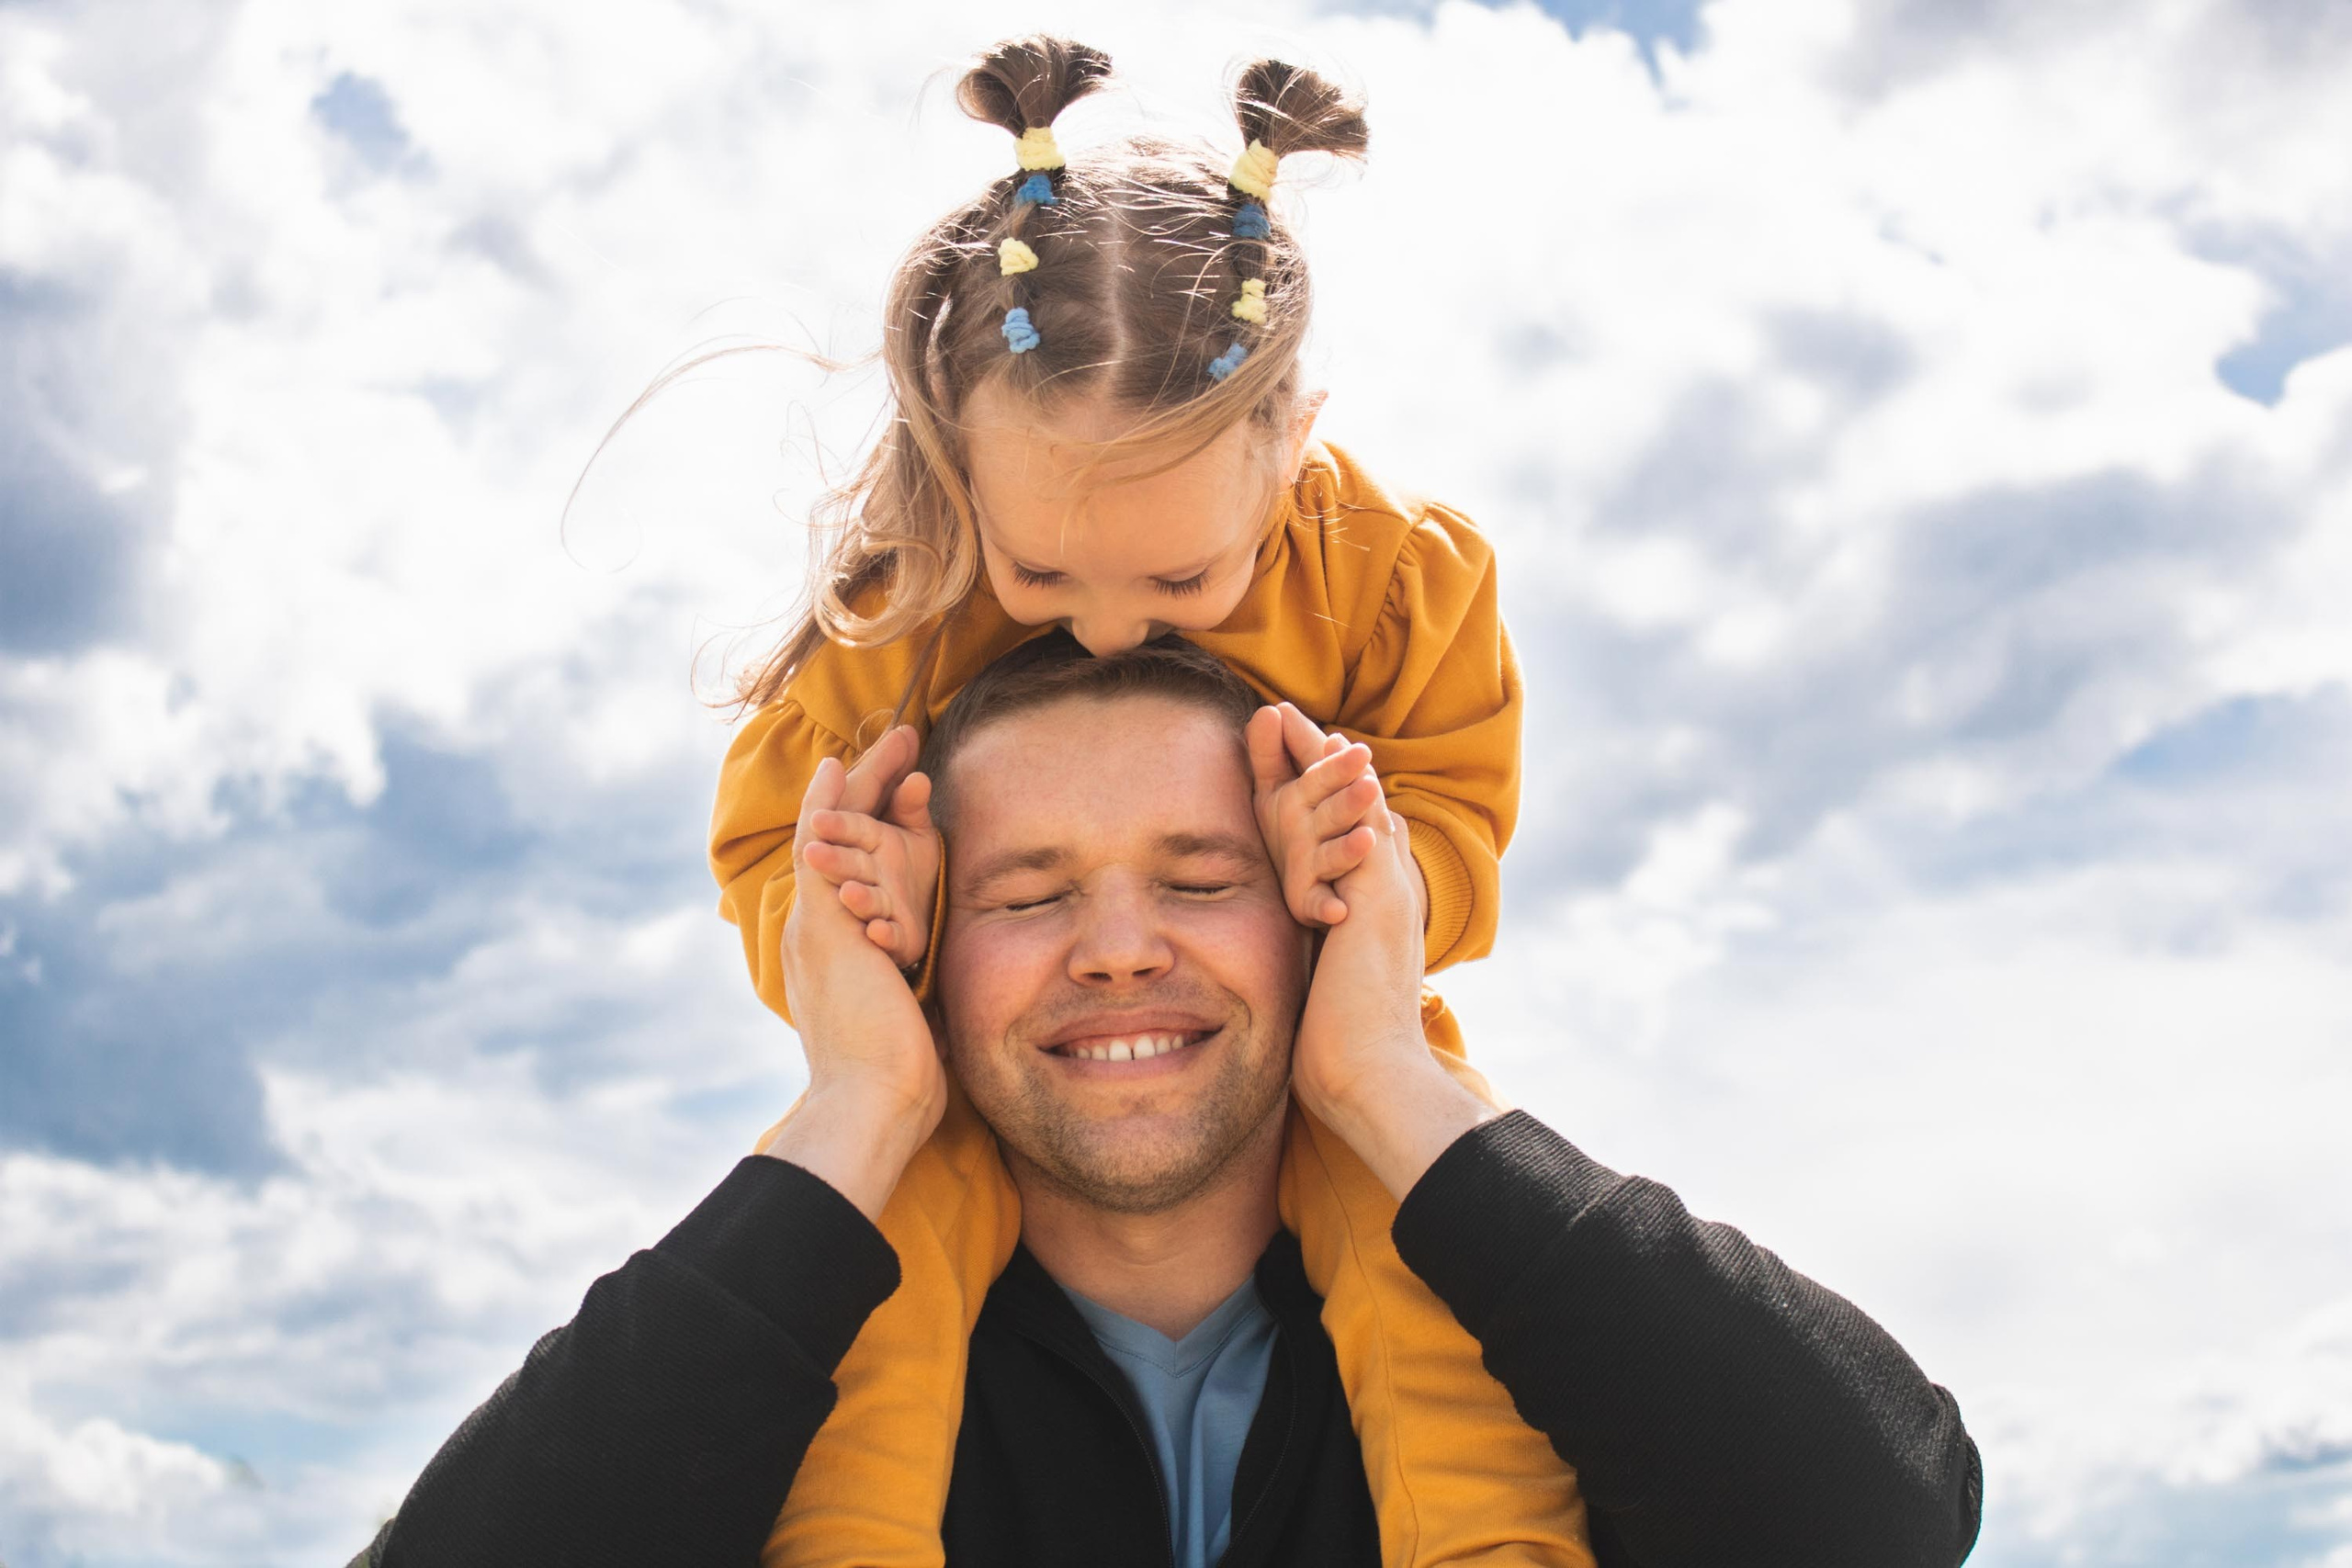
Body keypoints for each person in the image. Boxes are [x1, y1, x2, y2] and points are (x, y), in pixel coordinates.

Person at [356, 634, 1984, 1568]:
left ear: (1321, 915)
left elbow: (1879, 1521)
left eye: (1201, 878)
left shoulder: (1509, 1357)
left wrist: (1389, 1080)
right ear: (922, 949)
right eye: (1024, 896)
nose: (1118, 951)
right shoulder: (803, 1388)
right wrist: (855, 1101)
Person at [706, 33, 1554, 1568]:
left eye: (1178, 578)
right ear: (955, 464)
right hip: (996, 1067)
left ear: (1288, 446)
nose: (1102, 625)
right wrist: (858, 912)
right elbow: (773, 842)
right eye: (1037, 575)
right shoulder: (900, 606)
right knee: (881, 1314)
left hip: (1314, 1041)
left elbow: (1462, 806)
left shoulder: (1396, 580)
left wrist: (1369, 855)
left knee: (1433, 1306)